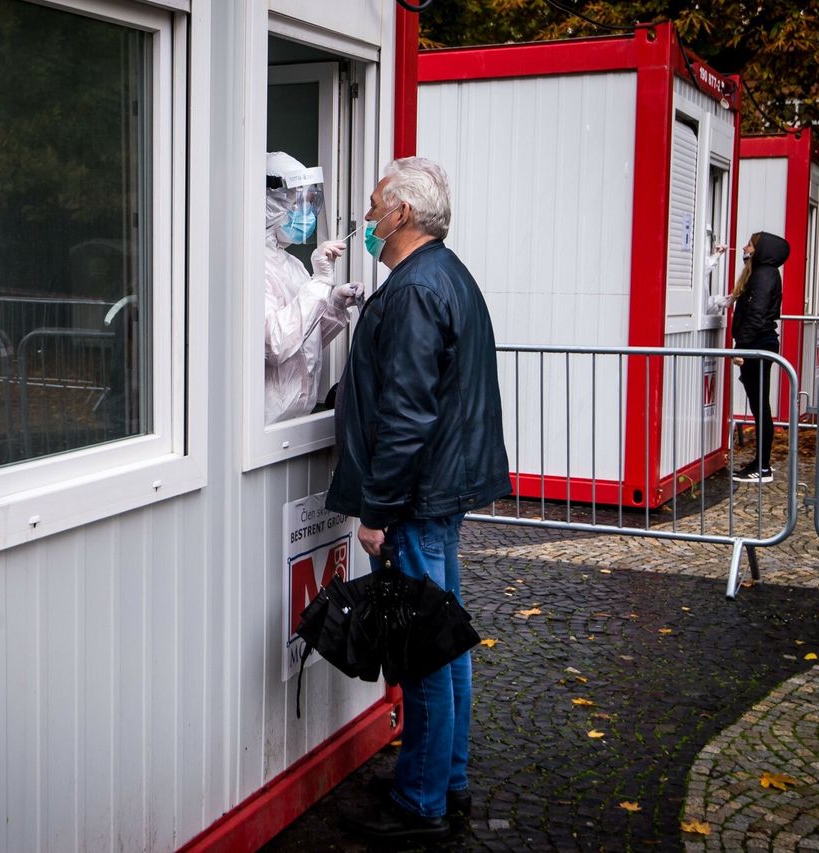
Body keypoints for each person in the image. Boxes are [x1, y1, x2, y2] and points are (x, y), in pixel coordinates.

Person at [326, 157, 511, 842]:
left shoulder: (410, 291)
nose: (369, 219)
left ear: (403, 213)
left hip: (416, 498)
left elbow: (405, 415)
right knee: (445, 641)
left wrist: (376, 510)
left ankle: (421, 801)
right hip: (443, 490)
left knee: (425, 650)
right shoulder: (448, 275)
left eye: (376, 206)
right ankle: (444, 776)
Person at [264, 151, 362, 424]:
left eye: (311, 203)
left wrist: (334, 305)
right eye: (299, 203)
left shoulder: (291, 264)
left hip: (297, 422)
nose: (307, 215)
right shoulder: (251, 266)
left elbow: (305, 340)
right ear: (271, 203)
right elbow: (276, 344)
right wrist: (319, 282)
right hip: (264, 428)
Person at [729, 231, 790, 483]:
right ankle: (760, 462)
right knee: (758, 405)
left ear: (760, 249)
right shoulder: (764, 273)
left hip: (757, 344)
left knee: (760, 406)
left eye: (750, 244)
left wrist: (742, 345)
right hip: (758, 342)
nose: (745, 248)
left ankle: (762, 467)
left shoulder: (763, 275)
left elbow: (756, 313)